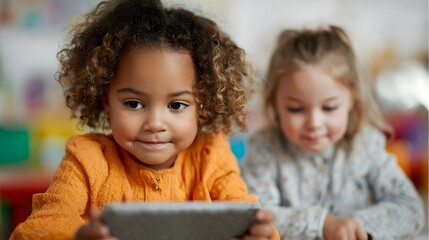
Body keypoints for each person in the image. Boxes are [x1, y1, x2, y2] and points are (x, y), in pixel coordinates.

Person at [10, 0, 280, 239]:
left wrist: (259, 234)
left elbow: (244, 214)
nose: (154, 123)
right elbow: (36, 230)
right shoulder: (86, 158)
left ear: (202, 105)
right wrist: (80, 236)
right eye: (134, 103)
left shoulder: (211, 155)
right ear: (106, 100)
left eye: (176, 105)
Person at [241, 25, 424, 240]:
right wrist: (323, 224)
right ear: (275, 105)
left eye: (329, 108)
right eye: (296, 109)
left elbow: (410, 208)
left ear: (352, 102)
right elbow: (257, 216)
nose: (314, 123)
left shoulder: (366, 145)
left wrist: (355, 225)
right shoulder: (264, 149)